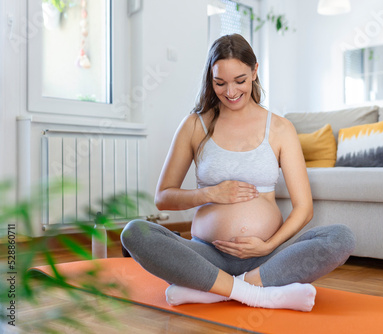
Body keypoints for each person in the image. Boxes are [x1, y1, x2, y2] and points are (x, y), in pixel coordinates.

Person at [121, 34, 355, 312]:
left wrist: (267, 246)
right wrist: (209, 193)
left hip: (267, 257)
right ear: (210, 78)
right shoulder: (195, 125)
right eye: (220, 83)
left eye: (240, 81)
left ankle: (216, 289)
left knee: (341, 237)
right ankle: (256, 293)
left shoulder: (280, 128)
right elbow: (163, 198)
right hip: (206, 255)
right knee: (134, 232)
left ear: (255, 71)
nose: (230, 92)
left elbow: (304, 209)